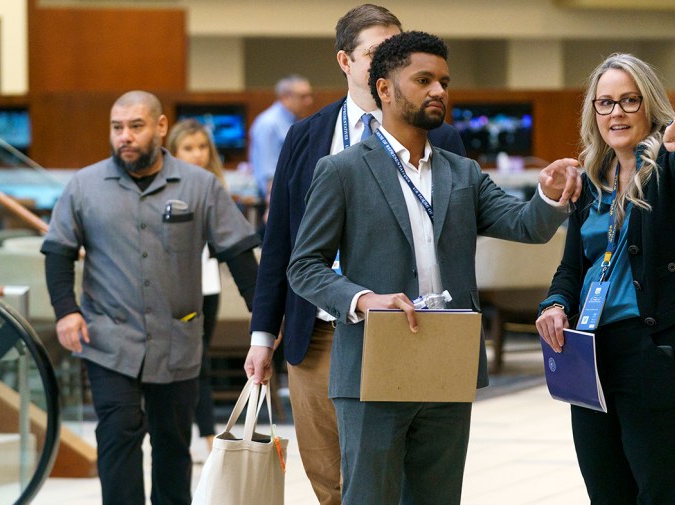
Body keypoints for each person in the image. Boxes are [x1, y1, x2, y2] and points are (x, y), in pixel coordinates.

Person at [286, 31, 581, 504]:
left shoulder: (460, 171)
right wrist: (363, 299)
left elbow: (526, 226)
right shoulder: (341, 171)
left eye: (444, 81)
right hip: (372, 362)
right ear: (384, 88)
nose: (438, 91)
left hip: (448, 359)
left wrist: (547, 194)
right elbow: (304, 267)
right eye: (423, 80)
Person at [243, 5, 466, 504]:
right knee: (332, 482)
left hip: (408, 330)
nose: (389, 61)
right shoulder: (306, 136)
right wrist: (263, 336)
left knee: (401, 480)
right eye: (375, 53)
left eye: (397, 51)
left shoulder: (441, 136)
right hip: (320, 333)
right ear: (345, 60)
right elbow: (282, 239)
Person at [534, 54, 675, 504]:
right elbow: (574, 265)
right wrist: (554, 303)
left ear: (650, 105)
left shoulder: (670, 163)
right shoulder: (590, 179)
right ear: (593, 112)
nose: (617, 113)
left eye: (630, 100)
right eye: (605, 103)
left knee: (662, 492)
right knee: (607, 492)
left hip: (669, 345)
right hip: (596, 353)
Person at [41, 91, 260, 505]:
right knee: (118, 435)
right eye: (117, 127)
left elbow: (238, 255)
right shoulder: (84, 186)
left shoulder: (200, 185)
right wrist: (66, 312)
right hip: (108, 338)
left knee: (172, 444)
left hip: (177, 337)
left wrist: (263, 322)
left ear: (160, 128)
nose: (125, 136)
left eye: (136, 126)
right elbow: (58, 252)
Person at [166, 118, 227, 457]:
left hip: (207, 285)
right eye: (188, 148)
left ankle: (205, 437)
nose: (197, 154)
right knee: (187, 362)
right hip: (172, 288)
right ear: (174, 151)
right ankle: (200, 437)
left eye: (202, 147)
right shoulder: (167, 188)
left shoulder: (215, 187)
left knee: (200, 359)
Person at [249, 74, 314, 200]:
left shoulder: (296, 122)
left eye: (309, 95)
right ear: (285, 97)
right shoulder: (269, 124)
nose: (309, 101)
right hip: (276, 201)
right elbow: (268, 175)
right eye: (303, 96)